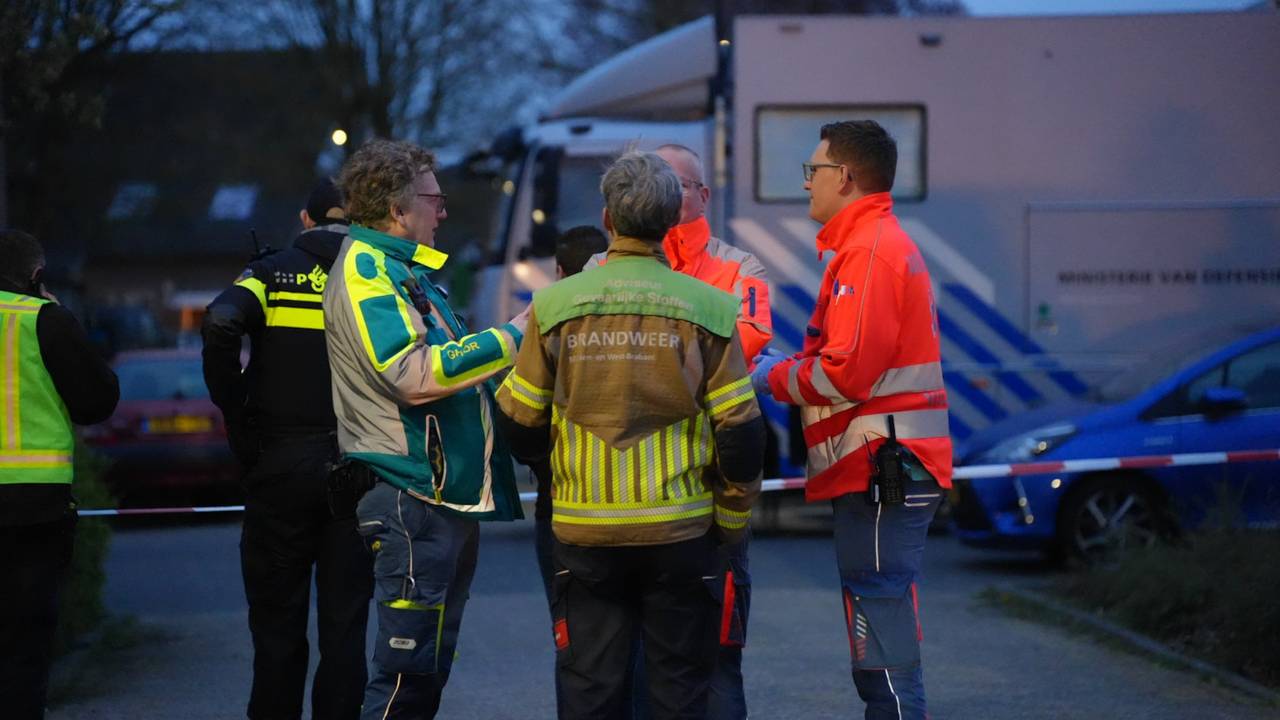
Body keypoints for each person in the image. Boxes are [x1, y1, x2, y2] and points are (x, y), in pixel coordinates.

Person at [496, 151, 764, 720]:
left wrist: (559, 474)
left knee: (590, 689)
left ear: (608, 219)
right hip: (683, 531)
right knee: (680, 689)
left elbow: (519, 420)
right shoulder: (713, 308)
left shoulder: (553, 305)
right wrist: (732, 519)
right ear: (670, 223)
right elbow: (740, 435)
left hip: (584, 533)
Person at [750, 120, 952, 720]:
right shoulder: (870, 246)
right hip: (885, 466)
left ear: (846, 176)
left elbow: (846, 375)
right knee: (880, 607)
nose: (807, 183)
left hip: (882, 469)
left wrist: (769, 377)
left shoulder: (869, 253)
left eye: (814, 171)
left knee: (878, 613)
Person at [322, 138, 528, 720]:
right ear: (397, 209)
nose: (442, 212)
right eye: (433, 199)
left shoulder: (401, 271)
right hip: (412, 493)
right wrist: (515, 335)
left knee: (425, 670)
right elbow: (411, 374)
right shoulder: (367, 270)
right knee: (404, 679)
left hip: (436, 497)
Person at [591, 144, 772, 720]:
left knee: (717, 655)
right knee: (623, 661)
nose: (666, 195)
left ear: (703, 196)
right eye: (657, 182)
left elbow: (749, 343)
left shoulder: (741, 268)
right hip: (621, 494)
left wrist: (649, 363)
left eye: (679, 184)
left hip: (712, 490)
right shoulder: (600, 268)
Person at [201, 178, 372, 720]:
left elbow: (221, 320)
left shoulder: (272, 273)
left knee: (277, 627)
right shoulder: (375, 274)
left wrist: (239, 413)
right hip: (359, 467)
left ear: (306, 219)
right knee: (345, 629)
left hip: (278, 465)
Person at [0, 229, 119, 720]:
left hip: (34, 510)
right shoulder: (43, 319)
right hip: (34, 509)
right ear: (36, 274)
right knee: (25, 644)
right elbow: (97, 401)